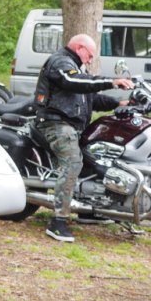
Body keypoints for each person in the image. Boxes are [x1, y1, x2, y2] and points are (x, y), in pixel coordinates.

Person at [34, 33, 134, 242]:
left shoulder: (77, 69)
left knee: (98, 159)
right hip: (56, 124)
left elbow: (92, 98)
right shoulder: (61, 62)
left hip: (73, 126)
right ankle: (58, 221)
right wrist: (112, 82)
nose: (90, 60)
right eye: (89, 55)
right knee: (73, 162)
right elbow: (73, 81)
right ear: (79, 48)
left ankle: (89, 211)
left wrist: (119, 104)